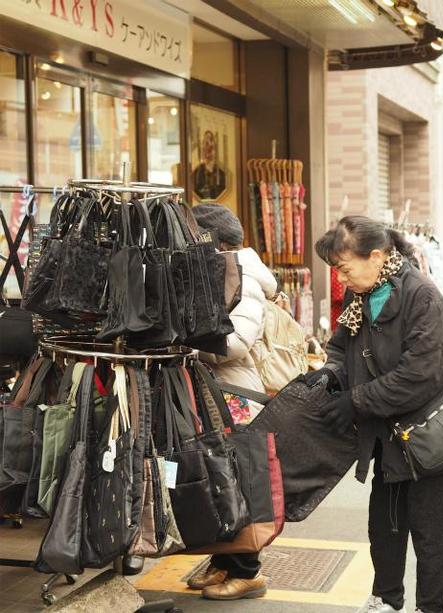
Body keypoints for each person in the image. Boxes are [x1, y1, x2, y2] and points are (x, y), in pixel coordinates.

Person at [306, 216, 443, 613]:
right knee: (385, 528)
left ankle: (431, 608)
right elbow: (340, 347)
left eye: (344, 267)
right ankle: (387, 599)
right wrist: (330, 375)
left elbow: (421, 373)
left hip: (428, 439)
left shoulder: (421, 295)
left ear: (375, 256)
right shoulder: (362, 296)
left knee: (431, 536)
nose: (341, 279)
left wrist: (356, 400)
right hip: (386, 435)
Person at [186, 202, 277, 601]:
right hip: (212, 392)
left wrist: (187, 345)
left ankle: (249, 571)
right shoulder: (215, 272)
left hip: (236, 393)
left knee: (240, 481)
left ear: (215, 241)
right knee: (216, 478)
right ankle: (223, 561)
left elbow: (236, 342)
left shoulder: (244, 277)